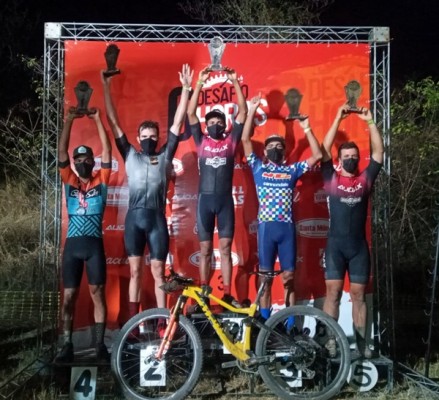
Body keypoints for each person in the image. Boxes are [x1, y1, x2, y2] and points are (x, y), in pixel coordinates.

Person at [102, 64, 193, 322]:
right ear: (138, 137)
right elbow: (113, 122)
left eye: (153, 136)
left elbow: (177, 122)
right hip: (134, 220)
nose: (149, 139)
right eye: (144, 136)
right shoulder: (130, 153)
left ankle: (164, 322)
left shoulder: (164, 156)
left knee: (158, 273)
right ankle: (133, 324)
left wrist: (186, 89)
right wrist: (106, 87)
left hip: (156, 220)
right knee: (135, 273)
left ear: (157, 138)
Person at [242, 94, 322, 326]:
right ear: (265, 152)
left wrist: (306, 128)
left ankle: (290, 327)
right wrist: (251, 109)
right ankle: (266, 327)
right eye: (271, 147)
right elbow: (245, 139)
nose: (275, 149)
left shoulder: (292, 170)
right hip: (266, 229)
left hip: (286, 229)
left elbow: (317, 155)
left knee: (289, 278)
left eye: (279, 147)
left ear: (284, 152)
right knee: (265, 280)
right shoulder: (258, 168)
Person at [321, 103, 384, 358]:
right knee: (333, 293)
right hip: (335, 247)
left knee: (359, 296)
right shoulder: (332, 178)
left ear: (358, 158)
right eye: (346, 156)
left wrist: (369, 121)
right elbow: (324, 149)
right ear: (339, 160)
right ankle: (331, 342)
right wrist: (338, 117)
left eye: (354, 155)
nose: (350, 158)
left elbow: (379, 153)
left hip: (358, 248)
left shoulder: (365, 180)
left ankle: (362, 345)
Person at [187, 66, 247, 308]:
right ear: (206, 125)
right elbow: (190, 113)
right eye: (210, 122)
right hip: (205, 201)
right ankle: (204, 291)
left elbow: (243, 111)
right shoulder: (201, 141)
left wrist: (234, 81)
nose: (214, 125)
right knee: (204, 250)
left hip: (224, 201)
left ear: (224, 124)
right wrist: (199, 83)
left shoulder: (231, 141)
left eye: (218, 122)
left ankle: (227, 294)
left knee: (224, 248)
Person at [56, 107, 112, 363]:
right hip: (73, 248)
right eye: (77, 160)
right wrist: (69, 120)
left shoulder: (102, 179)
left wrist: (98, 119)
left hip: (94, 247)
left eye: (86, 159)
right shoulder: (70, 180)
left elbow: (107, 151)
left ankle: (100, 346)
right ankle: (66, 345)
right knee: (68, 297)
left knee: (98, 293)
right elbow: (61, 153)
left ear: (92, 161)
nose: (81, 163)